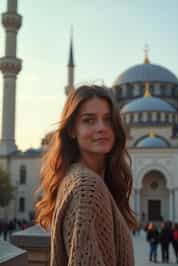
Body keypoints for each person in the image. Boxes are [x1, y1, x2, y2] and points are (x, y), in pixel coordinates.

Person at [35, 85, 137, 266]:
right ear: (72, 130)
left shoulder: (79, 179)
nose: (101, 128)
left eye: (108, 120)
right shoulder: (86, 187)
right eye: (89, 120)